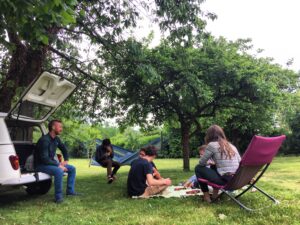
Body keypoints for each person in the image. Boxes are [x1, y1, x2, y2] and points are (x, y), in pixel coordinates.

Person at [35, 120, 78, 204]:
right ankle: (58, 197)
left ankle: (70, 191)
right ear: (53, 127)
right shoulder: (44, 140)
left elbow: (64, 149)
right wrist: (58, 165)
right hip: (41, 165)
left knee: (72, 169)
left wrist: (66, 160)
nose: (61, 129)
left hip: (51, 164)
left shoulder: (56, 139)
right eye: (60, 127)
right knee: (59, 171)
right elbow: (45, 159)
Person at [195, 125, 241, 203]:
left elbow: (201, 163)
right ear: (222, 134)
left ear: (208, 136)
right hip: (237, 179)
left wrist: (208, 163)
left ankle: (207, 197)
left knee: (198, 168)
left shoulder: (212, 145)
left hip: (225, 181)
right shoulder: (231, 146)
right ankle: (214, 195)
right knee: (214, 166)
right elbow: (240, 162)